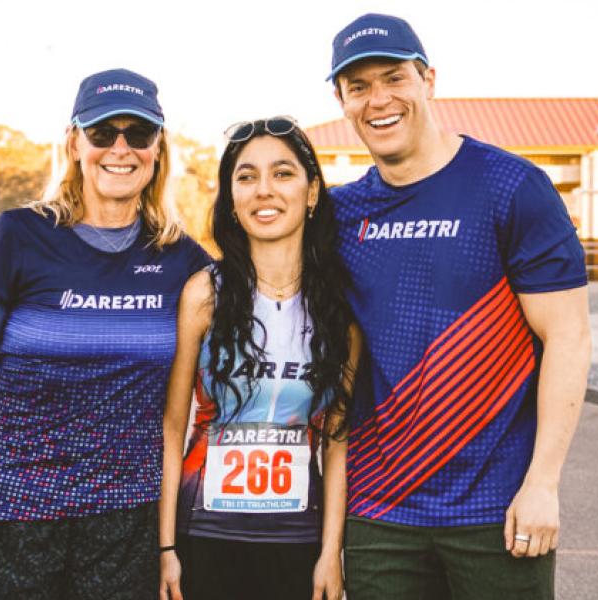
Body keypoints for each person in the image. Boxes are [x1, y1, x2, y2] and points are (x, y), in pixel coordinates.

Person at [324, 13, 591, 600]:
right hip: (380, 512)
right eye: (358, 87)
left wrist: (543, 483)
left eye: (394, 78)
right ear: (341, 101)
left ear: (429, 81)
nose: (379, 100)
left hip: (497, 508)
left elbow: (568, 338)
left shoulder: (511, 188)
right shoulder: (340, 215)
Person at [0, 68, 210, 600]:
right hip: (8, 514)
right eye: (102, 133)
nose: (120, 149)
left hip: (124, 528)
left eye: (137, 134)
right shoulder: (19, 236)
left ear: (158, 148)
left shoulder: (184, 261)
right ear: (75, 143)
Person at [158, 117, 360, 600]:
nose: (264, 190)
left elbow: (337, 440)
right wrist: (166, 548)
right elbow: (172, 426)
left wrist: (332, 550)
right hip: (204, 534)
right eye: (246, 177)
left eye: (283, 174)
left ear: (311, 193)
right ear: (231, 198)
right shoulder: (204, 292)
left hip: (297, 540)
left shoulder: (339, 308)